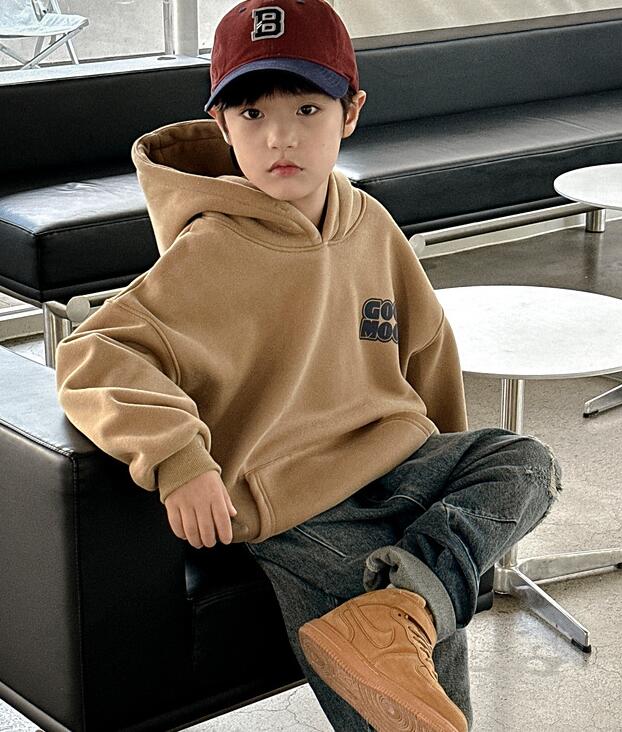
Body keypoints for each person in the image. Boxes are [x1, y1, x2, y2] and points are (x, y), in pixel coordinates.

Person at [55, 1, 562, 730]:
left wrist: (445, 472)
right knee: (415, 704)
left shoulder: (371, 224)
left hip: (398, 467)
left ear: (350, 112)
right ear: (223, 125)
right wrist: (178, 459)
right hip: (297, 507)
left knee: (526, 461)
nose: (280, 136)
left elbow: (427, 350)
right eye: (252, 114)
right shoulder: (211, 250)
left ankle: (406, 607)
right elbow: (94, 353)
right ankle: (406, 610)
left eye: (307, 108)